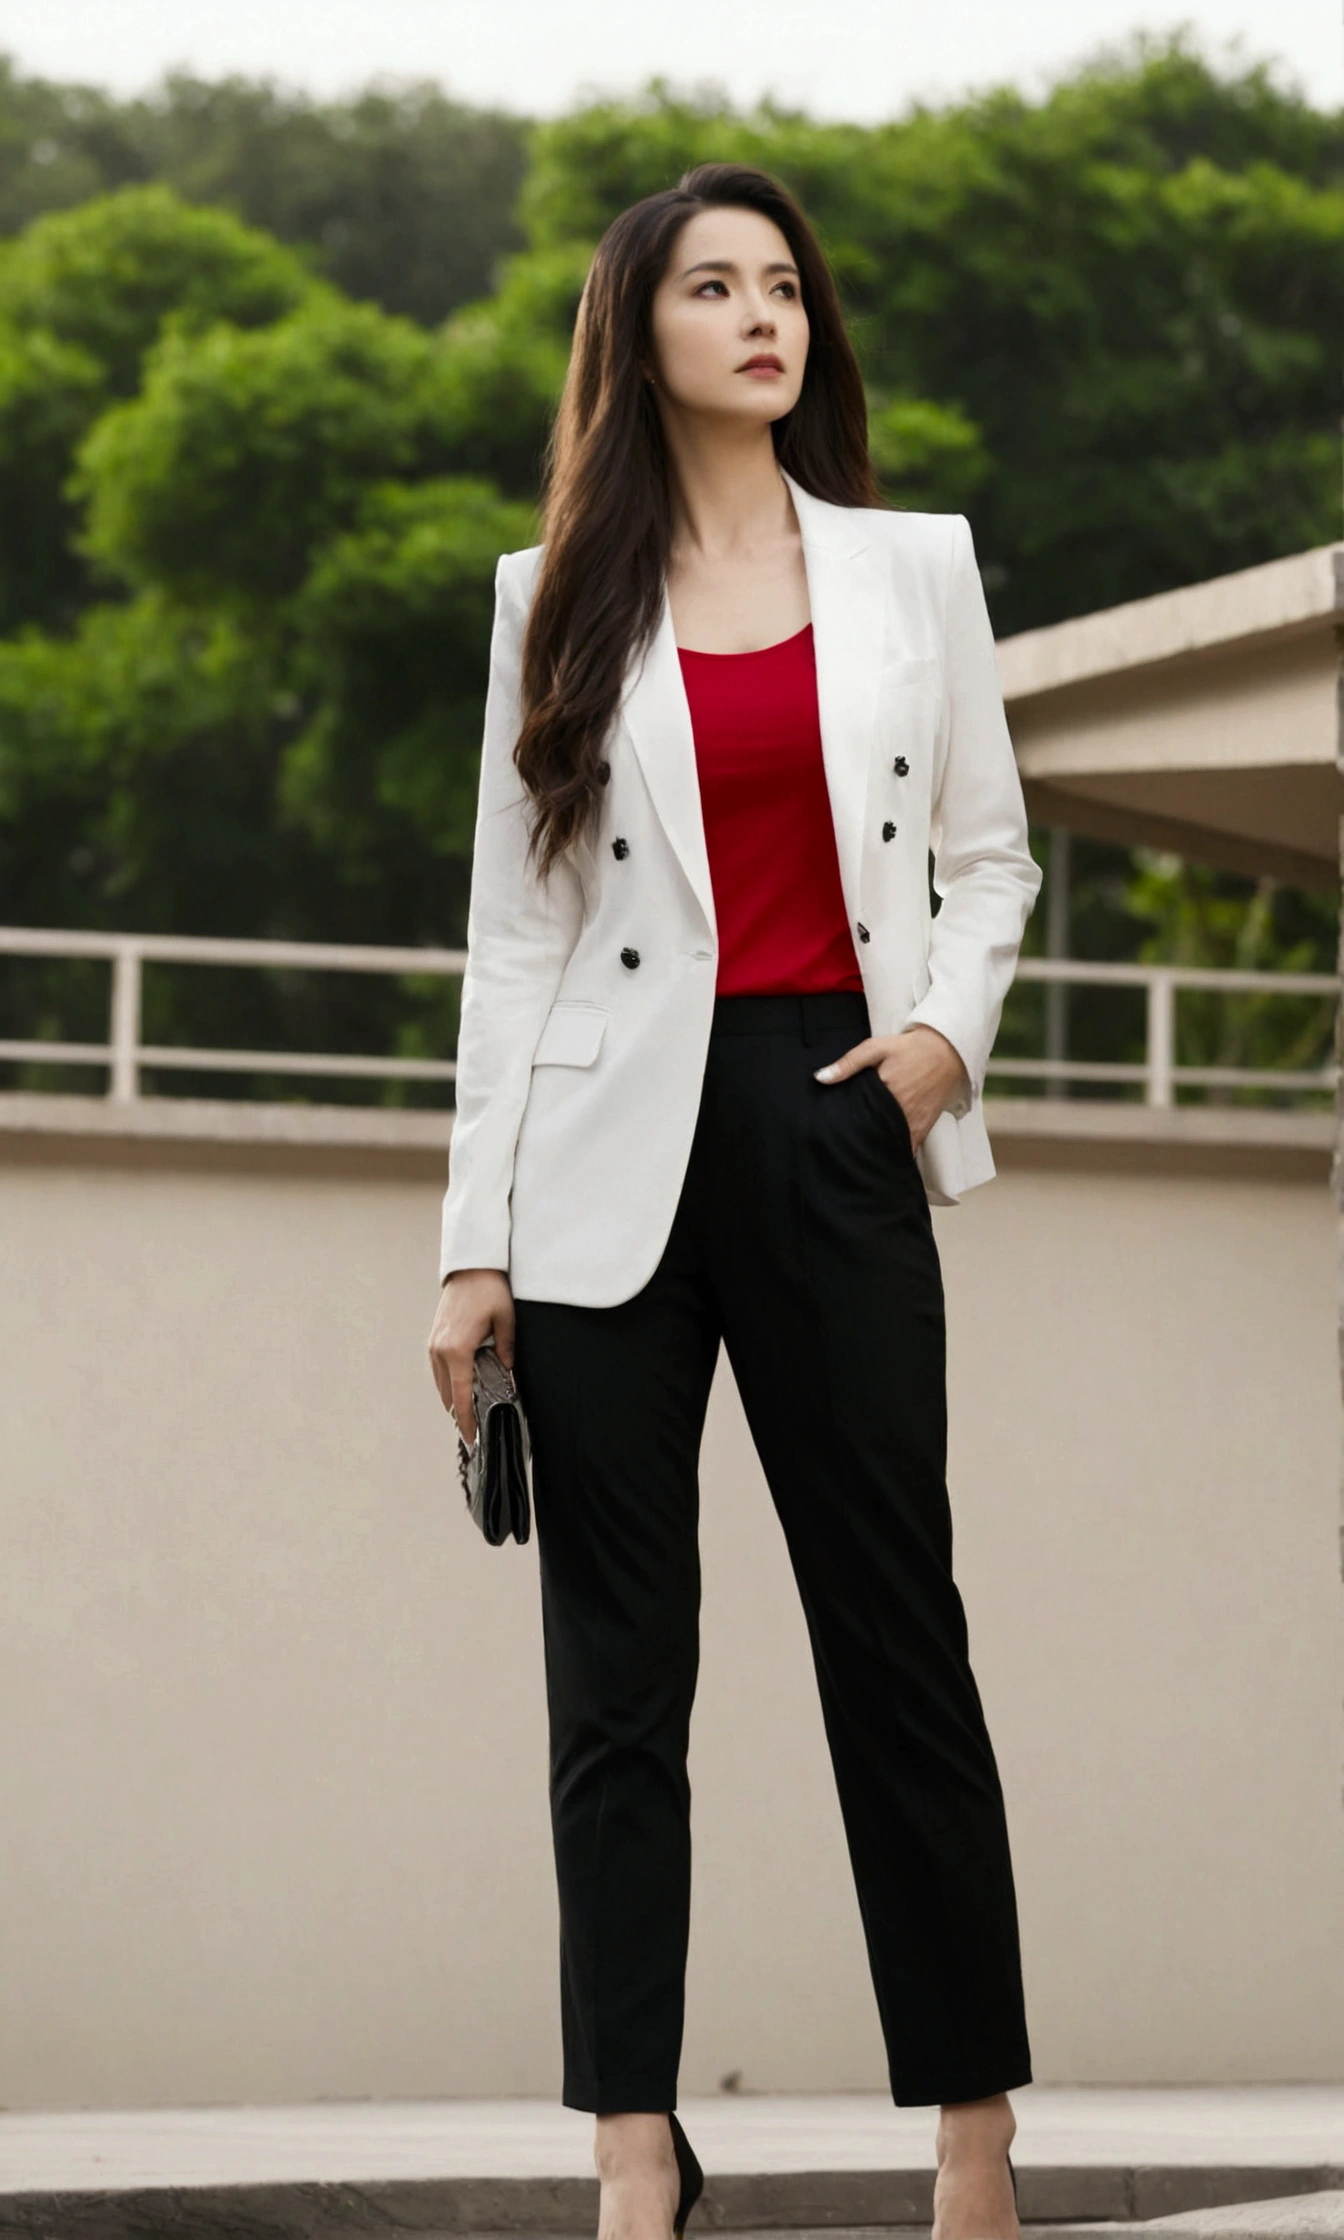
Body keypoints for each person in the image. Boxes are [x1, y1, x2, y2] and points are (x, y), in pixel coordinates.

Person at [428, 159, 1042, 2240]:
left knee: (899, 1639)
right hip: (608, 1157)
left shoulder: (914, 566)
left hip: (834, 1112)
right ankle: (630, 2154)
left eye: (785, 284)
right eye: (714, 285)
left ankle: (973, 2142)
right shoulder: (553, 597)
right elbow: (515, 946)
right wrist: (471, 1243)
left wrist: (943, 1040)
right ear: (645, 328)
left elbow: (990, 855)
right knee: (618, 1684)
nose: (762, 313)